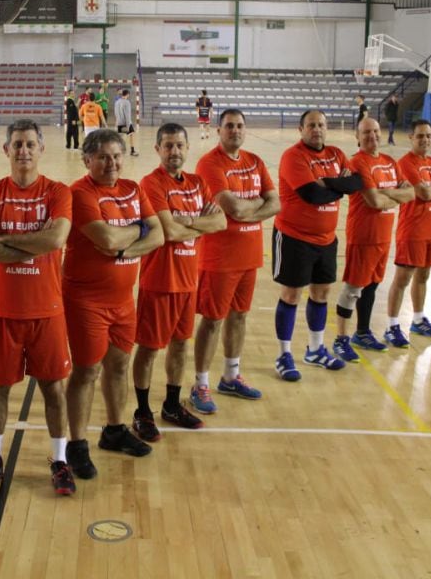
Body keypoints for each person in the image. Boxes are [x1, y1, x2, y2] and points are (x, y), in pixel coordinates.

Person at [0, 120, 77, 495]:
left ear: (42, 148)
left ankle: (60, 461)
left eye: (31, 143)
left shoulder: (58, 192)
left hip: (47, 309)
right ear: (6, 150)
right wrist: (36, 240)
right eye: (17, 144)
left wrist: (6, 238)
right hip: (2, 310)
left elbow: (57, 238)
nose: (24, 150)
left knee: (53, 390)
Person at [63, 129, 164, 480]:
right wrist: (139, 230)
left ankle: (114, 429)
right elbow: (104, 238)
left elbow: (160, 234)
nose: (112, 163)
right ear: (87, 159)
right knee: (86, 371)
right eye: (103, 157)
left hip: (123, 300)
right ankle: (76, 445)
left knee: (119, 366)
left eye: (117, 155)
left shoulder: (133, 189)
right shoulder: (78, 192)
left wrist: (121, 247)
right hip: (85, 301)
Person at [131, 123, 225, 438]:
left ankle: (171, 404)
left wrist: (185, 220)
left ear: (187, 148)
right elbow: (168, 232)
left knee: (180, 345)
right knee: (148, 349)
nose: (175, 152)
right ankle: (142, 411)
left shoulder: (198, 183)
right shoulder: (151, 183)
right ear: (157, 149)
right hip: (159, 281)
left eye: (180, 146)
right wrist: (199, 223)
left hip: (188, 281)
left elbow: (221, 221)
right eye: (168, 146)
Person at [190, 109, 278, 412]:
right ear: (218, 130)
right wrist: (256, 205)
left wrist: (247, 207)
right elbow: (234, 209)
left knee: (239, 316)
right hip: (219, 258)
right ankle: (201, 383)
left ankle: (230, 376)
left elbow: (275, 203)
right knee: (212, 321)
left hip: (249, 256)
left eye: (240, 126)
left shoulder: (254, 161)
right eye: (229, 126)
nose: (235, 131)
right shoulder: (209, 163)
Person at [272, 110, 364, 381]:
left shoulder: (336, 154)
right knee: (291, 295)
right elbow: (312, 194)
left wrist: (329, 183)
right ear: (300, 129)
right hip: (294, 237)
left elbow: (356, 182)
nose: (317, 129)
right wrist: (340, 186)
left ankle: (315, 349)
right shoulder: (294, 156)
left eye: (321, 124)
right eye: (311, 125)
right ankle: (284, 354)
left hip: (326, 238)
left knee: (321, 294)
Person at [332, 118, 414, 355]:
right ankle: (341, 339)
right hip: (363, 235)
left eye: (376, 131)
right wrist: (394, 195)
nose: (372, 136)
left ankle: (363, 332)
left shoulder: (389, 162)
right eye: (366, 132)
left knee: (372, 286)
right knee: (353, 288)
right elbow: (374, 201)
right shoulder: (357, 163)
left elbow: (410, 193)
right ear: (358, 137)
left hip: (383, 236)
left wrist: (387, 193)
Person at [384, 120, 431, 343]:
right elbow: (422, 193)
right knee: (402, 279)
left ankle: (417, 319)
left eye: (428, 136)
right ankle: (392, 326)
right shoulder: (406, 163)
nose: (425, 140)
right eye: (420, 136)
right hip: (412, 230)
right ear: (411, 138)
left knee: (423, 276)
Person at [113, 88, 138, 157]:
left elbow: (115, 113)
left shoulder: (117, 102)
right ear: (127, 94)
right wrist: (128, 125)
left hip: (119, 122)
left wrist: (117, 121)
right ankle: (132, 151)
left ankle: (116, 151)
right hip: (126, 122)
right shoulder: (127, 102)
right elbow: (127, 115)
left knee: (119, 137)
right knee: (131, 135)